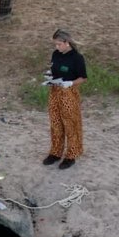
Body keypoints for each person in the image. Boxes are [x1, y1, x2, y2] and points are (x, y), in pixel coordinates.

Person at [42, 29, 87, 169]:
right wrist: (49, 75)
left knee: (70, 124)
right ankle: (55, 152)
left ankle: (71, 155)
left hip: (69, 93)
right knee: (55, 123)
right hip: (55, 91)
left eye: (59, 44)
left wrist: (71, 83)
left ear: (67, 43)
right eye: (55, 44)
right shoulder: (56, 54)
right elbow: (53, 69)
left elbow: (83, 78)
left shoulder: (77, 58)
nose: (56, 47)